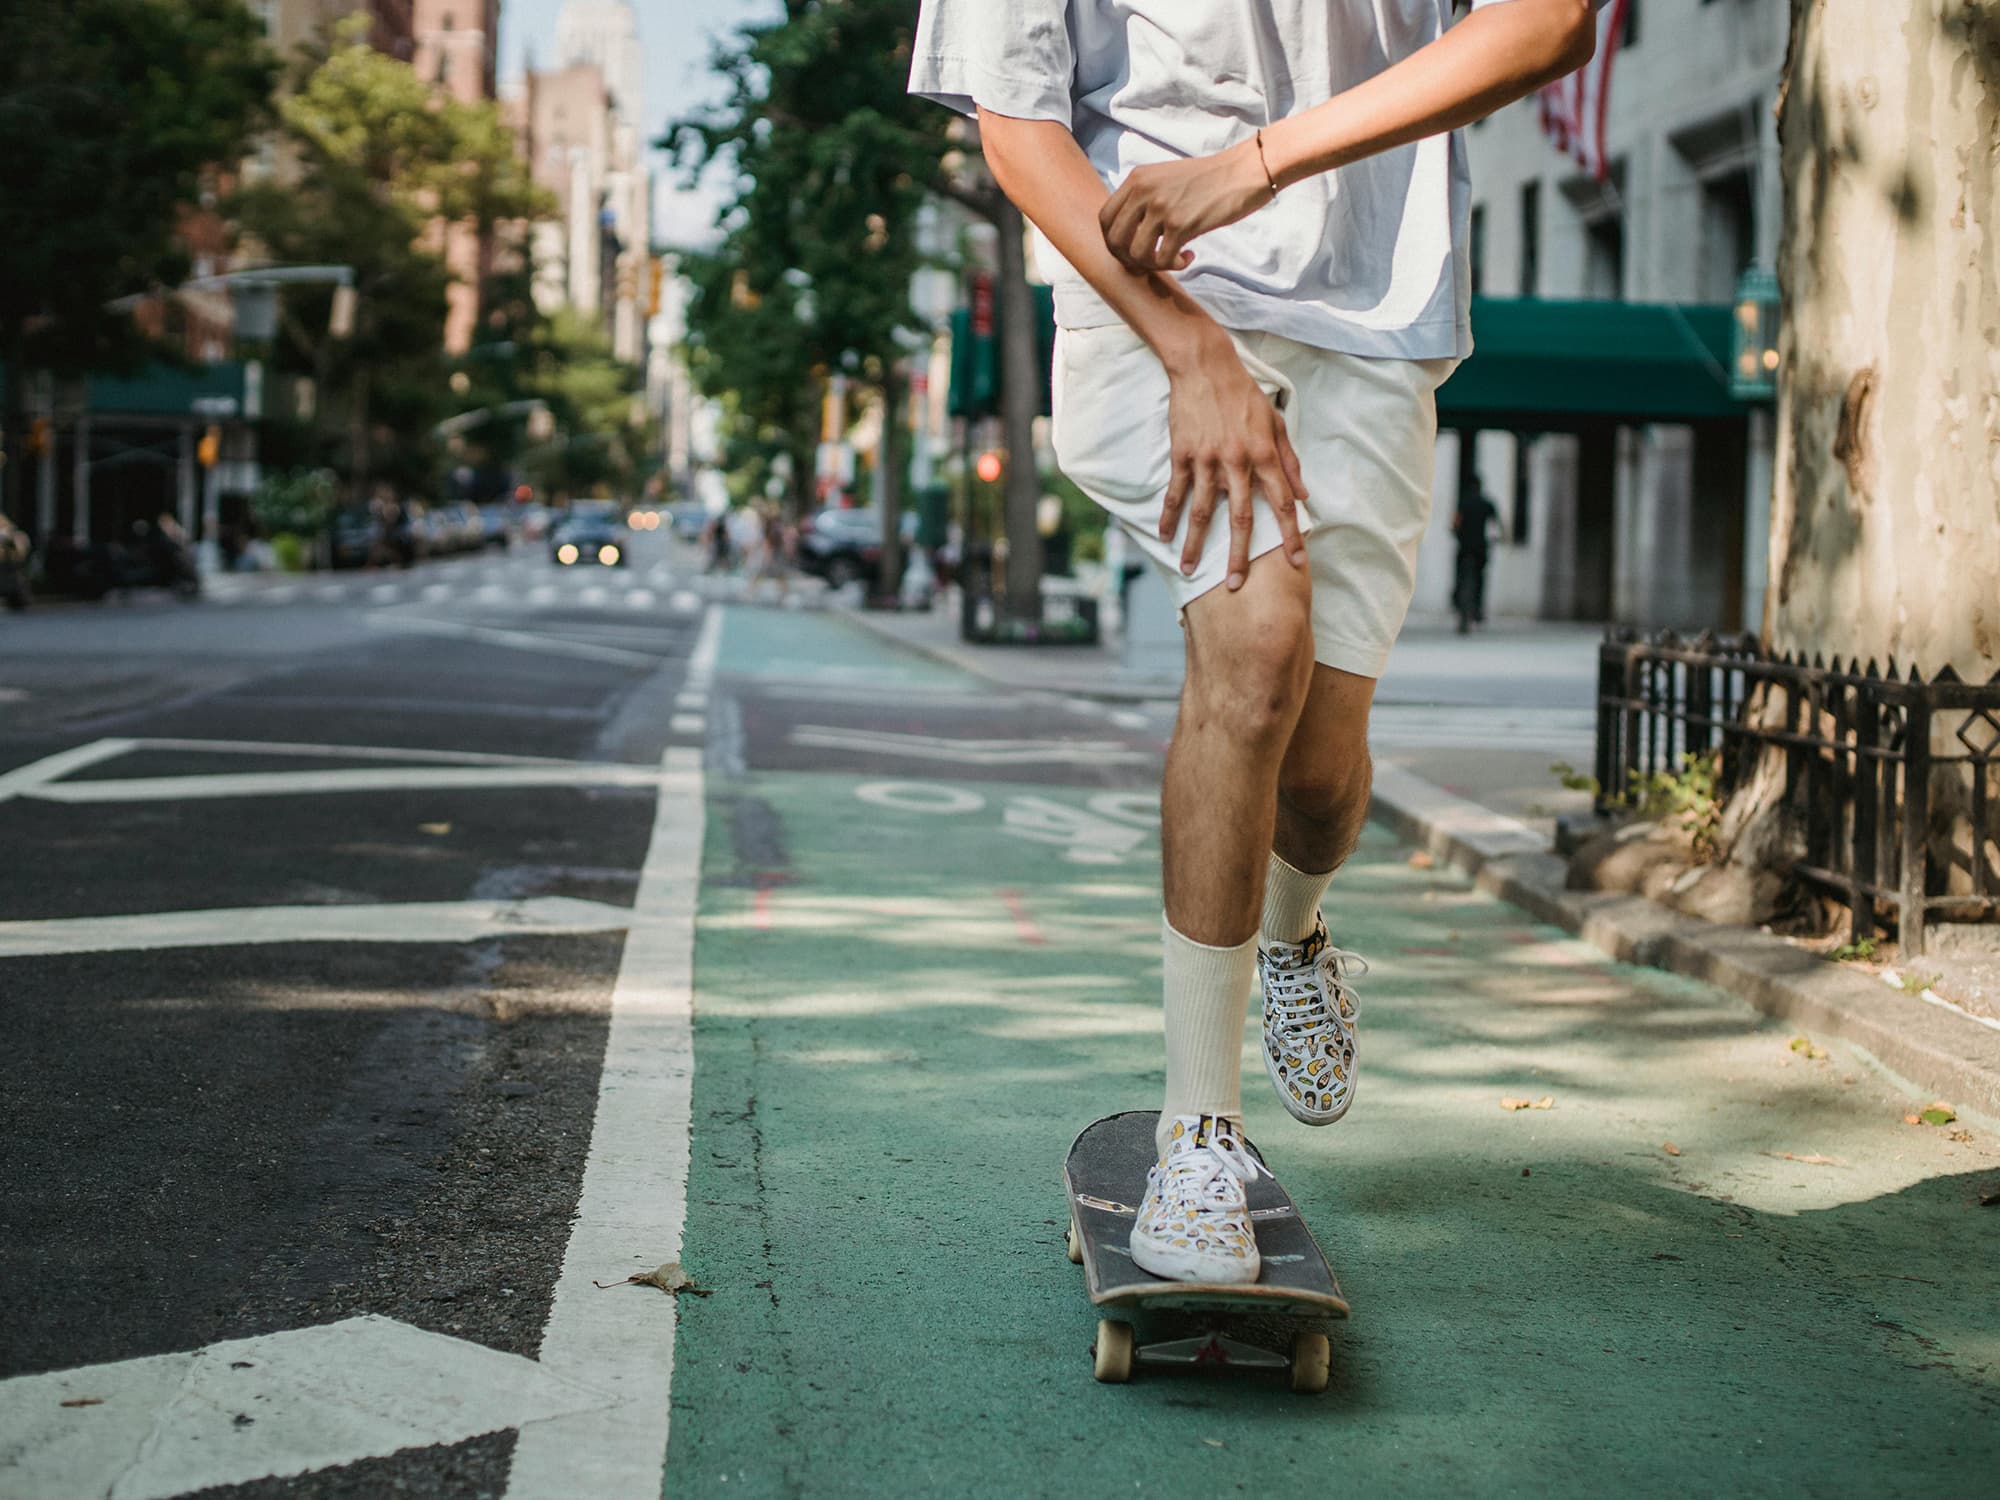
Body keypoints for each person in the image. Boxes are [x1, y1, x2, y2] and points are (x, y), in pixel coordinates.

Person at [910, 0, 1597, 1284]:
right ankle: (1199, 1137)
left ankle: (1291, 942)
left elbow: (1548, 26)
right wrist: (1189, 352)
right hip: (1148, 287)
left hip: (1373, 314)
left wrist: (1259, 160)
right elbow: (1017, 125)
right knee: (1256, 648)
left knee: (1325, 779)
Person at [1451, 472, 1501, 633]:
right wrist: (1495, 540)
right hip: (1480, 548)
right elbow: (1495, 527)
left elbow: (1455, 524)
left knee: (1460, 576)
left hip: (1464, 547)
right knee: (1479, 579)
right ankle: (1478, 609)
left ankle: (1458, 604)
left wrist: (1457, 535)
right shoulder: (1487, 504)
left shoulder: (1463, 503)